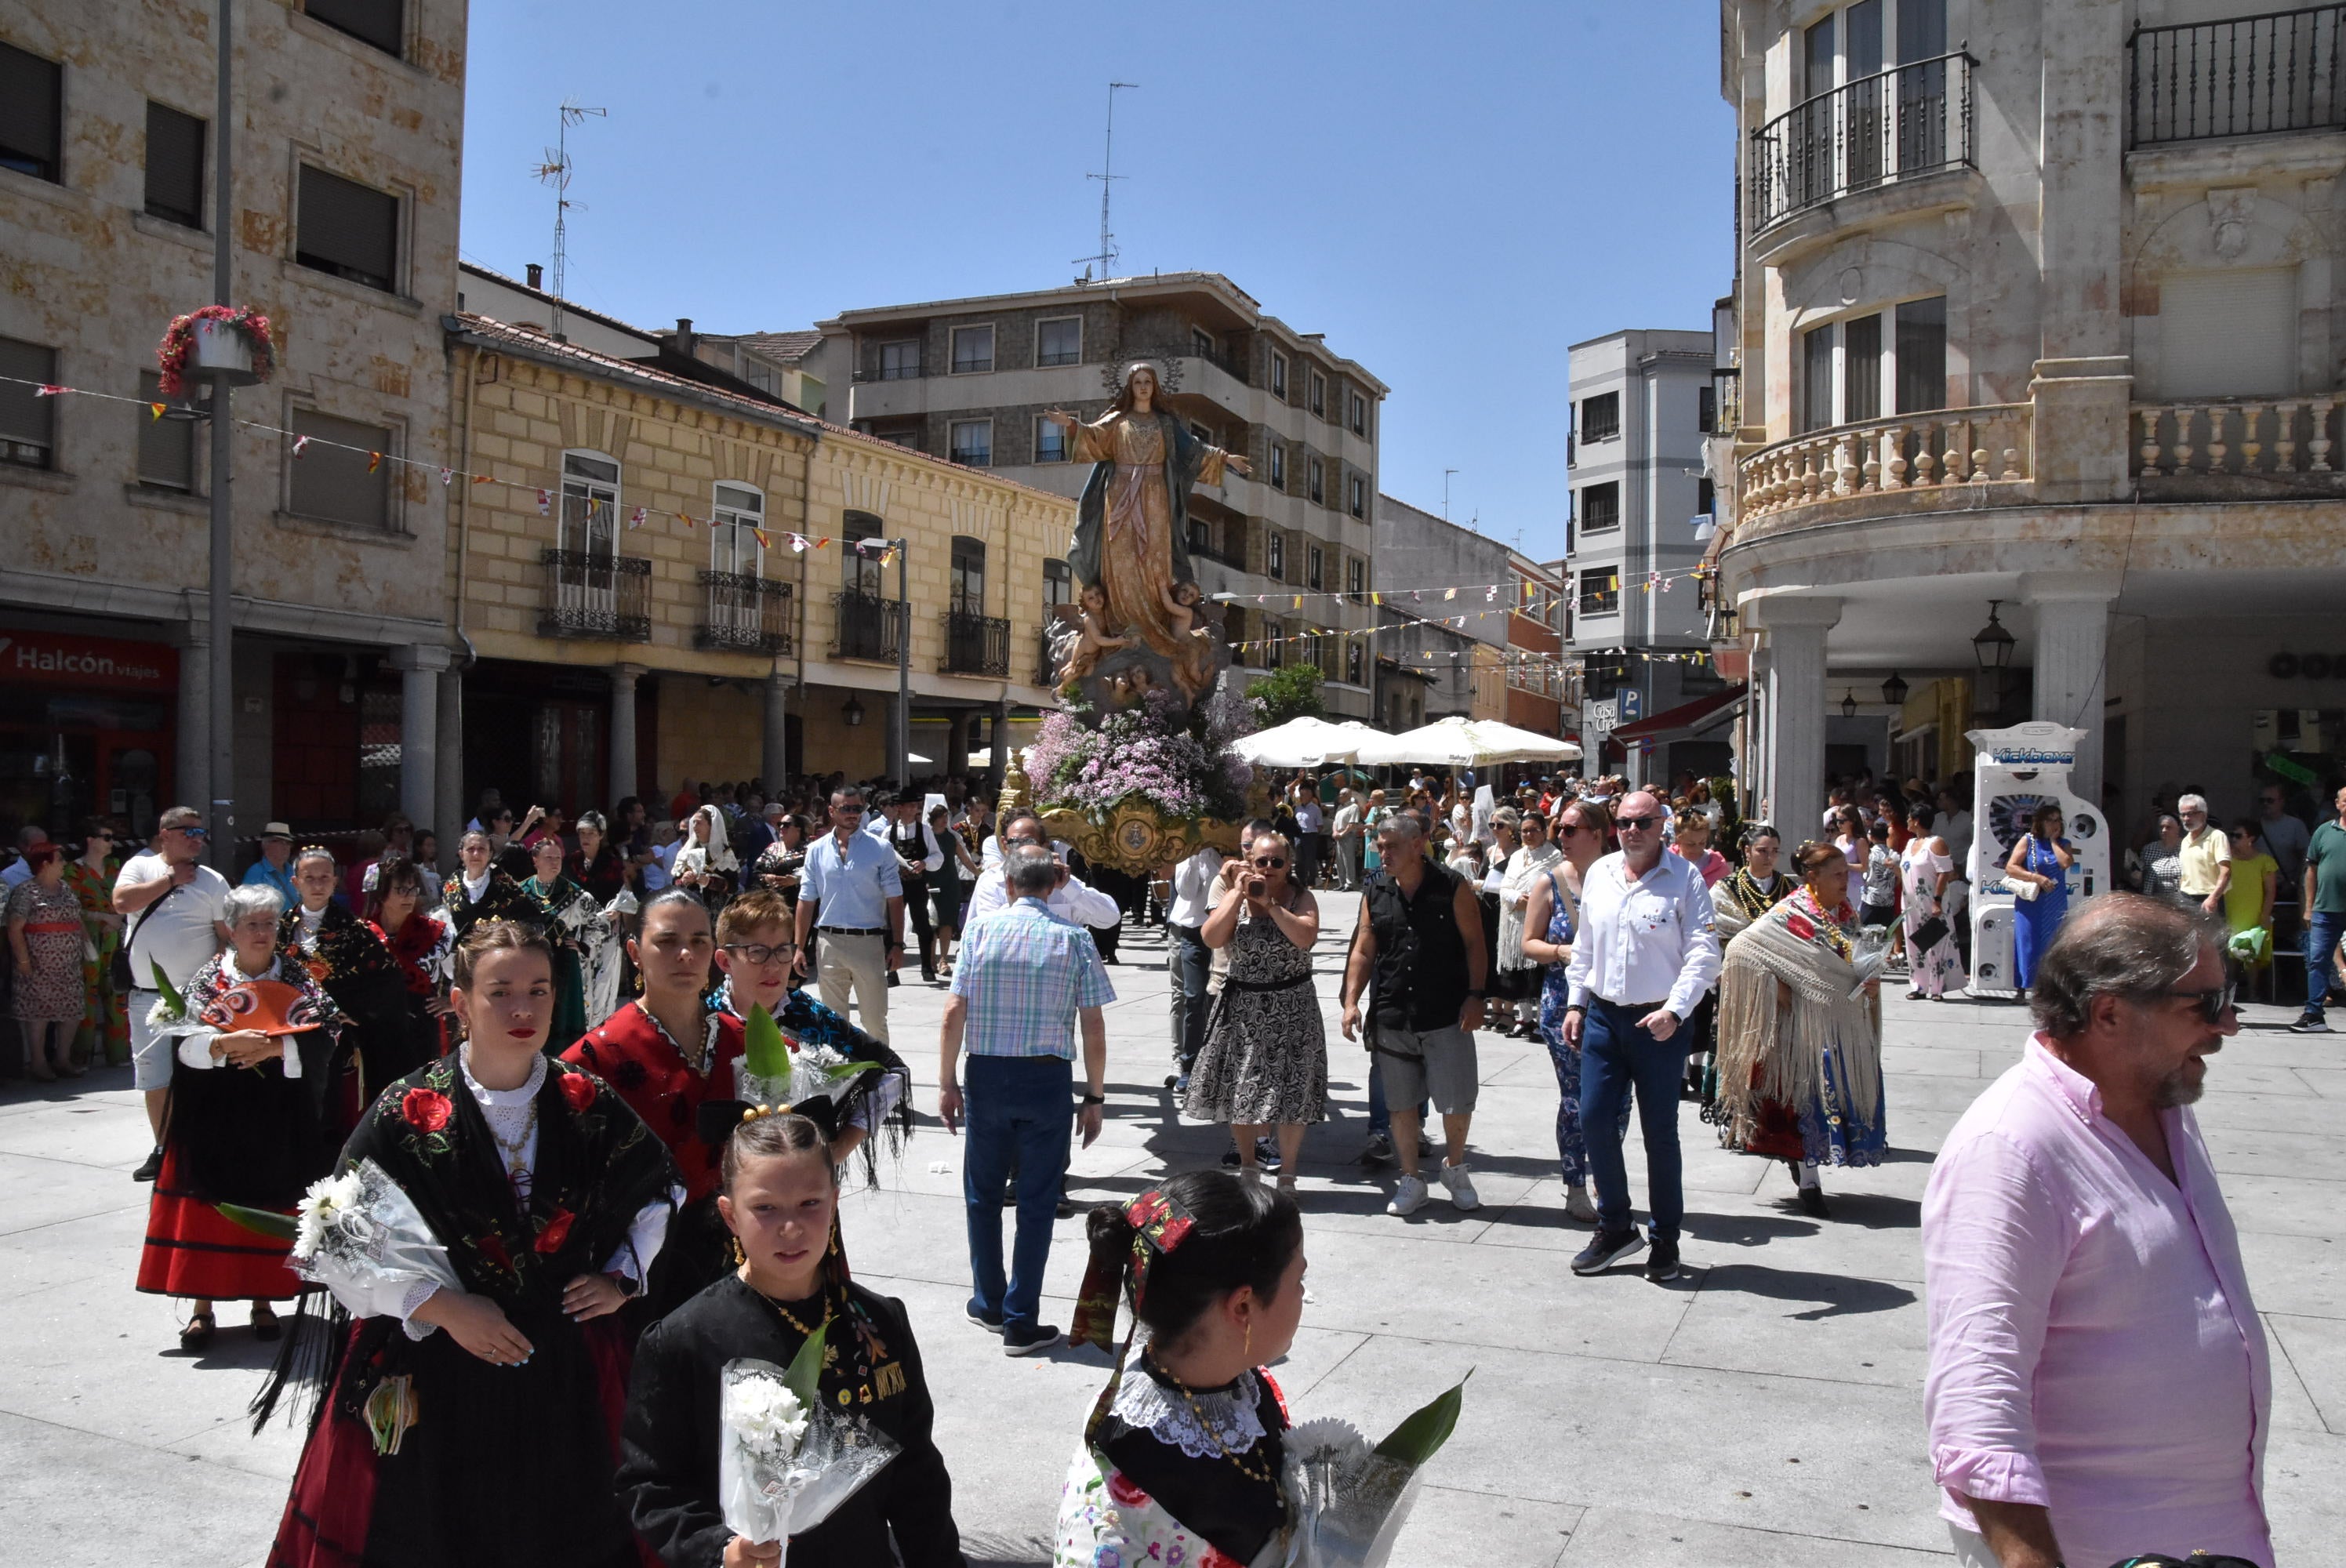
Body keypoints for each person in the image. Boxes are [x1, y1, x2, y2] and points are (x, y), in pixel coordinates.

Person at [263, 921, 682, 1568]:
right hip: (439, 1369)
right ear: (459, 1003)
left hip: (563, 1360)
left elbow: (655, 1188)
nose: (524, 1009)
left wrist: (620, 1277)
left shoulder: (586, 1101)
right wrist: (442, 1306)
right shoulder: (406, 1109)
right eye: (501, 992)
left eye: (540, 990)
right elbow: (336, 1236)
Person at [1923, 895, 2268, 1568]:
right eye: (2204, 1003)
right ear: (2109, 1011)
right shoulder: (2011, 1148)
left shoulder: (2159, 1102)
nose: (2228, 1023)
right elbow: (1977, 1408)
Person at [617, 1107, 964, 1568]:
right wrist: (719, 1548)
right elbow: (650, 1484)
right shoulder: (685, 1339)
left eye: (810, 1204)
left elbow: (916, 1474)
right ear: (730, 1215)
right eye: (765, 1208)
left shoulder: (880, 1321)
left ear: (835, 1201)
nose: (791, 1227)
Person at [136, 884, 347, 1348]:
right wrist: (222, 1045)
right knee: (210, 1201)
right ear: (230, 930)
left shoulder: (296, 976)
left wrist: (277, 1046)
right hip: (216, 1109)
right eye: (251, 924)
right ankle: (201, 1308)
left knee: (267, 1198)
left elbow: (329, 1031)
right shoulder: (208, 979)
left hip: (276, 1110)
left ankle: (263, 1300)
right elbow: (184, 1040)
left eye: (269, 923)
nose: (262, 932)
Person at [1058, 1173, 1305, 1568]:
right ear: (1243, 1306)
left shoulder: (1242, 1386)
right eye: (1299, 1281)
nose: (1303, 1295)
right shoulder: (1141, 1449)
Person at [938, 845, 1114, 1356]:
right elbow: (1094, 1026)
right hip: (1047, 1079)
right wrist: (1095, 1095)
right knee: (1037, 1201)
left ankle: (989, 1300)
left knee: (983, 1193)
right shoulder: (1074, 940)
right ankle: (1021, 1318)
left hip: (988, 1073)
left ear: (1009, 885)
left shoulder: (979, 930)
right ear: (1054, 885)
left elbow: (954, 1012)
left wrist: (946, 1080)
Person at [564, 889, 746, 1329]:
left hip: (740, 1261)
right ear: (635, 953)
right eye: (667, 942)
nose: (685, 953)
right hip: (642, 1280)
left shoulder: (746, 1038)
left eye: (700, 941)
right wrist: (619, 1275)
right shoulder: (594, 1059)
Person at [1561, 789, 1723, 1283]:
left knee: (1659, 1134)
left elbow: (1704, 953)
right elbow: (1585, 947)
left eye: (1645, 823)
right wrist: (1576, 1002)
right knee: (1592, 1120)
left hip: (1661, 1024)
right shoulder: (1603, 875)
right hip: (1605, 1019)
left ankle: (1664, 1239)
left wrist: (1675, 1011)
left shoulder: (1685, 878)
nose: (1634, 831)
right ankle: (1615, 1227)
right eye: (1626, 822)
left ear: (1663, 826)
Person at [1045, 362, 1252, 704]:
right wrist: (1069, 424)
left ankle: (1155, 628)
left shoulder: (1166, 424)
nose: (1142, 387)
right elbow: (1092, 436)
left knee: (1154, 563)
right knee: (1121, 564)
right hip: (1120, 499)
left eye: (1147, 382)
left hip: (1156, 500)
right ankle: (1125, 627)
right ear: (1130, 387)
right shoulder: (1118, 422)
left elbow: (1194, 450)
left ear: (1155, 387)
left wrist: (1227, 459)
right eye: (1137, 382)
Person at [1715, 840, 1888, 1218]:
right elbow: (1744, 949)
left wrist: (1868, 981)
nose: (1846, 881)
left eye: (1846, 873)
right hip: (1803, 1029)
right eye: (1838, 875)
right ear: (1812, 877)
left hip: (1842, 1023)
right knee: (1807, 1101)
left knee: (1835, 1098)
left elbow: (1850, 961)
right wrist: (1781, 992)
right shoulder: (1790, 914)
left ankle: (1811, 1172)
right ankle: (1810, 1181)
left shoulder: (1844, 913)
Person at [1338, 811, 1488, 1218]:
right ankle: (1411, 1179)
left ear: (1417, 845)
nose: (1382, 853)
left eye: (1391, 847)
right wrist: (1352, 1001)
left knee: (1456, 1101)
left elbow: (1475, 943)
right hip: (1392, 1012)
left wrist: (1476, 996)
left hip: (1445, 1011)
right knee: (1400, 1104)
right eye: (1379, 846)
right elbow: (1364, 950)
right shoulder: (1376, 892)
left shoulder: (1452, 887)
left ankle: (1455, 1168)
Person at [708, 890, 912, 1176]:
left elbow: (893, 1072)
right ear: (725, 960)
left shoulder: (810, 1015)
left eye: (782, 951)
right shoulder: (704, 1021)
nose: (773, 966)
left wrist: (839, 1147)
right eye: (756, 952)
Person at [1184, 832, 1324, 1196]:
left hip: (1293, 1007)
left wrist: (1272, 905)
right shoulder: (1235, 895)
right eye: (1262, 861)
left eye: (1277, 862)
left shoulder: (1300, 897)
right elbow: (1211, 938)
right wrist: (1237, 893)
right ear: (1250, 861)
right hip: (1244, 1008)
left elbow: (1305, 937)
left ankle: (1288, 1174)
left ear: (1289, 865)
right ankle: (1248, 1169)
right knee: (1240, 1090)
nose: (1269, 868)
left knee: (1293, 1093)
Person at [114, 806, 232, 1181]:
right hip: (148, 996)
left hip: (199, 1000)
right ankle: (164, 1149)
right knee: (155, 1078)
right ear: (165, 833)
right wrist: (170, 880)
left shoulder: (213, 881)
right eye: (188, 832)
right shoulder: (140, 867)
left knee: (202, 1073)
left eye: (201, 833)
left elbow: (225, 937)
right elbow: (121, 903)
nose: (197, 839)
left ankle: (201, 1146)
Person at [278, 845, 428, 1098]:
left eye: (325, 877)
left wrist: (349, 1011)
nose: (318, 885)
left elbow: (384, 981)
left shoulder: (355, 929)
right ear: (295, 882)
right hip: (290, 1029)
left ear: (335, 881)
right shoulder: (281, 926)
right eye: (309, 878)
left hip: (340, 1036)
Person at [794, 786, 906, 1045]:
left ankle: (880, 1077)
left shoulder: (881, 848)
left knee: (874, 1020)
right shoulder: (816, 850)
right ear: (832, 811)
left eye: (858, 808)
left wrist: (898, 944)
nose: (853, 814)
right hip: (829, 942)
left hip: (868, 943)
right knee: (834, 1021)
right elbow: (806, 900)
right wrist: (798, 947)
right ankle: (843, 1079)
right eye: (846, 808)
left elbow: (895, 900)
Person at [963, 811, 1122, 931]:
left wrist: (1070, 888)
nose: (1022, 849)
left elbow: (1110, 918)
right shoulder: (992, 882)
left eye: (1029, 842)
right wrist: (1018, 901)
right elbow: (984, 931)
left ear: (1044, 845)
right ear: (1004, 845)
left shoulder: (1063, 883)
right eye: (1015, 842)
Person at [363, 855, 455, 1064]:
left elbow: (462, 972)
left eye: (412, 890)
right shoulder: (363, 934)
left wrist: (451, 1001)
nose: (409, 896)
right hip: (377, 1027)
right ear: (381, 894)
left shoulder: (436, 932)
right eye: (401, 890)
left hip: (421, 1025)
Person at [9, 844, 87, 1080]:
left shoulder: (65, 888)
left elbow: (77, 917)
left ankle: (62, 1059)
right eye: (59, 859)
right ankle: (38, 1062)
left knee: (71, 1012)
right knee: (38, 1015)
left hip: (69, 966)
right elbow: (15, 929)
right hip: (38, 966)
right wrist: (23, 960)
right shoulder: (26, 892)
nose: (64, 863)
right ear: (45, 864)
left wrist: (85, 943)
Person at [63, 818, 129, 1069]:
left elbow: (127, 898)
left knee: (117, 994)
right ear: (91, 841)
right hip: (87, 939)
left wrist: (118, 918)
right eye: (107, 837)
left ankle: (119, 1053)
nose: (112, 842)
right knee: (87, 996)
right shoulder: (73, 871)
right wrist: (102, 916)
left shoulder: (115, 868)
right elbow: (72, 908)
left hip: (114, 940)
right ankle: (81, 1056)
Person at [521, 833, 597, 1045]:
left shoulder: (573, 892)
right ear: (535, 860)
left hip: (564, 959)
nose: (554, 863)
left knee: (563, 1010)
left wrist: (582, 944)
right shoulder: (521, 891)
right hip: (531, 959)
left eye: (558, 858)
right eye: (549, 858)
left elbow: (598, 921)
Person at [1163, 840, 1223, 1094]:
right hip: (1187, 927)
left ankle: (1214, 1061)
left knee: (1217, 994)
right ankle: (1184, 1062)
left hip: (1221, 926)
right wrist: (1193, 856)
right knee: (1188, 996)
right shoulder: (1186, 851)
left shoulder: (1226, 851)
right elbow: (1187, 891)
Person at [1497, 813, 1560, 1041]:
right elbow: (1504, 886)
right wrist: (1516, 897)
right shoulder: (1516, 857)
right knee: (1518, 976)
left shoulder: (1554, 857)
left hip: (1539, 923)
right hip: (1514, 922)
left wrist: (1533, 901)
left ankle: (1542, 1022)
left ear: (1544, 831)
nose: (1529, 835)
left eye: (1534, 830)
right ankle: (1524, 1019)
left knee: (1538, 976)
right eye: (1524, 831)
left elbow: (1556, 888)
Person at [2003, 802, 2075, 997]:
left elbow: (2065, 862)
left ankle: (2048, 988)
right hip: (2031, 901)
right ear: (2040, 822)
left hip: (2054, 902)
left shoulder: (2064, 844)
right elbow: (2011, 867)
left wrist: (2053, 841)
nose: (2055, 824)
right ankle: (2022, 987)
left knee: (2052, 944)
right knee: (2028, 941)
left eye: (2058, 820)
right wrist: (2035, 877)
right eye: (2050, 820)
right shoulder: (2028, 841)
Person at [2293, 782, 2346, 1033]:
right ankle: (2314, 1014)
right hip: (2326, 909)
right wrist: (2308, 907)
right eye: (2344, 800)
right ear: (2337, 804)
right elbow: (2310, 871)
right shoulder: (2324, 832)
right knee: (2318, 961)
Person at [441, 828, 550, 944]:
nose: (476, 854)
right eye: (470, 849)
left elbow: (532, 921)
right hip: (463, 955)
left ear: (490, 854)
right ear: (461, 854)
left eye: (482, 849)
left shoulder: (506, 885)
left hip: (498, 953)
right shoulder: (451, 886)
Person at [1901, 808, 1963, 1000]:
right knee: (1914, 943)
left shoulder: (1936, 843)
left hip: (1930, 899)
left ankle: (1937, 987)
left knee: (1935, 943)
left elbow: (1944, 872)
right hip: (1911, 901)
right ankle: (1918, 985)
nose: (1908, 821)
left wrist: (1937, 900)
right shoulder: (1911, 842)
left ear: (1917, 821)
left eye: (1910, 818)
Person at [883, 793, 945, 984]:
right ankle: (891, 970)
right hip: (895, 885)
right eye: (908, 806)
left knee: (922, 924)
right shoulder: (888, 832)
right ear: (899, 808)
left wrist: (925, 863)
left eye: (915, 806)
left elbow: (938, 856)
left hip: (917, 884)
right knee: (890, 925)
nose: (912, 810)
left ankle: (927, 967)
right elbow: (881, 858)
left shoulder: (924, 831)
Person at [2221, 818, 2279, 975]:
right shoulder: (2226, 861)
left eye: (2238, 836)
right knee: (2229, 951)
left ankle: (2254, 993)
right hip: (2231, 911)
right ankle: (2230, 992)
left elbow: (2270, 891)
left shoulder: (2265, 861)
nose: (2233, 839)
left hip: (2254, 913)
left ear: (2251, 839)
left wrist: (2265, 914)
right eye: (2231, 835)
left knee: (2252, 950)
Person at [928, 800, 979, 977]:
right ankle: (930, 959)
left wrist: (978, 872)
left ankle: (943, 959)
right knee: (931, 923)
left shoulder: (952, 837)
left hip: (950, 883)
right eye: (941, 817)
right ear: (933, 818)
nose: (944, 820)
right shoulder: (926, 837)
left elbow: (965, 858)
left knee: (947, 921)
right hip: (931, 882)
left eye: (946, 817)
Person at [670, 804, 739, 912]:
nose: (694, 827)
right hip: (689, 909)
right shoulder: (686, 852)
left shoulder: (724, 854)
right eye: (694, 822)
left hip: (715, 911)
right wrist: (684, 880)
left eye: (699, 823)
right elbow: (675, 882)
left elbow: (733, 886)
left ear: (711, 826)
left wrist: (709, 882)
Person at [2253, 782, 2310, 892]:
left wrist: (2295, 880)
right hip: (2258, 886)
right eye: (2262, 800)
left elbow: (2304, 858)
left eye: (2270, 800)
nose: (2265, 804)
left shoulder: (2295, 826)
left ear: (2282, 801)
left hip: (2285, 887)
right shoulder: (2253, 826)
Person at [242, 822, 299, 905]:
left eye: (288, 843)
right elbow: (249, 906)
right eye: (281, 842)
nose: (286, 847)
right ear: (266, 845)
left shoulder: (295, 871)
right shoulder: (256, 873)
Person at [1858, 818, 1899, 929]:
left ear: (1871, 836)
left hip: (1871, 899)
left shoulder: (1870, 854)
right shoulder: (1894, 855)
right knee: (1885, 938)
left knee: (1868, 936)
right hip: (1888, 901)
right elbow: (1899, 877)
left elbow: (1865, 873)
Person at [2136, 813, 2185, 901]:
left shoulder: (2187, 848)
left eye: (2168, 827)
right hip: (2155, 900)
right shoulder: (2149, 849)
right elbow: (2140, 877)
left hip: (2182, 900)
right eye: (2161, 827)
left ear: (2178, 828)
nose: (2164, 830)